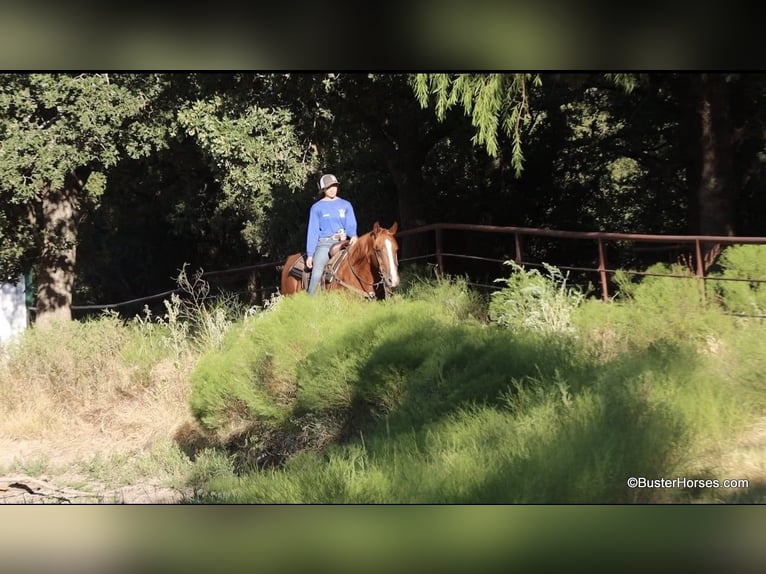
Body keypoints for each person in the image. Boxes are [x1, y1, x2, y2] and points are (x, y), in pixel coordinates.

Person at [305, 173, 358, 295]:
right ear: (323, 189)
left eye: (334, 186)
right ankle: (310, 300)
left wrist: (353, 235)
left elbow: (350, 225)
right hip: (325, 244)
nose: (333, 189)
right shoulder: (316, 208)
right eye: (329, 187)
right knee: (317, 273)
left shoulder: (346, 205)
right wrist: (310, 254)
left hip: (344, 242)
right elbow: (313, 231)